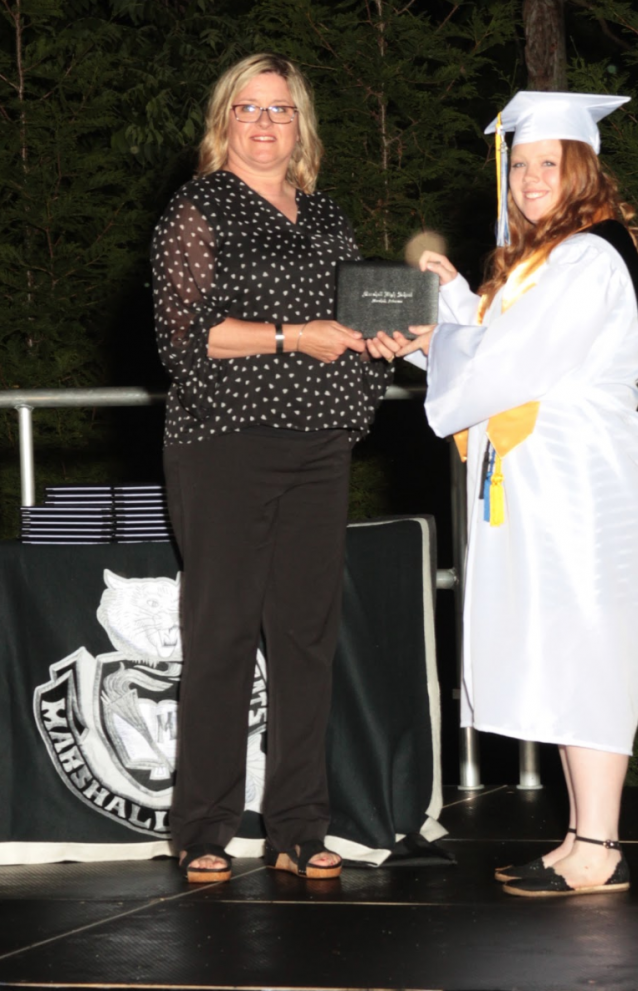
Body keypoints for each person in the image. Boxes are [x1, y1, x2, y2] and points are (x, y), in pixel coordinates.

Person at [392, 91, 638, 898]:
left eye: (550, 163)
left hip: (588, 480)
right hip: (555, 476)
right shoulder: (556, 255)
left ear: (581, 169)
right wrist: (438, 314)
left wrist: (441, 328)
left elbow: (505, 364)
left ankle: (601, 845)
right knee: (570, 649)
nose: (532, 177)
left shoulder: (587, 256)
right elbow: (499, 343)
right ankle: (583, 836)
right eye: (522, 165)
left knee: (593, 650)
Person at [151, 53, 394, 882]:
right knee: (219, 637)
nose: (264, 124)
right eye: (248, 109)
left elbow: (360, 321)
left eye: (280, 111)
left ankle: (298, 826)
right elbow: (186, 337)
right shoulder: (196, 208)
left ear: (302, 126)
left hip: (319, 447)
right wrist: (297, 335)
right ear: (225, 121)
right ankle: (203, 829)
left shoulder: (325, 217)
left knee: (305, 641)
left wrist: (387, 342)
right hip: (224, 443)